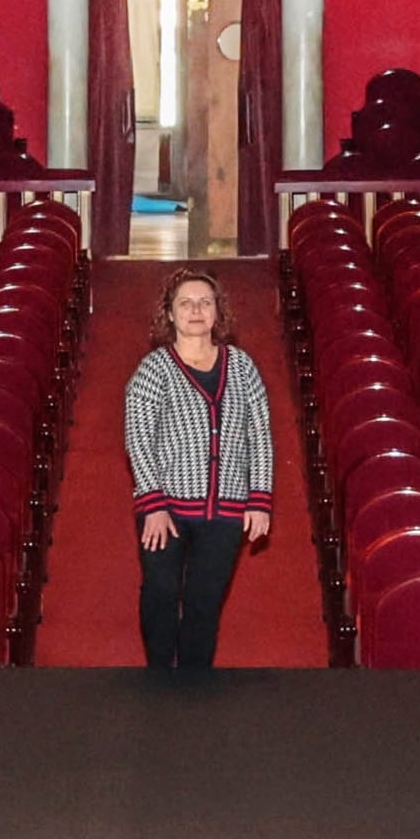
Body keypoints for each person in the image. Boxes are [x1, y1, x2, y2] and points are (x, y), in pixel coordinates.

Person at [121, 269, 273, 671]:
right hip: (165, 511)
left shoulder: (242, 367)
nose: (196, 310)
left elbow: (259, 436)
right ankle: (159, 675)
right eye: (185, 303)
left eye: (205, 302)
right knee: (162, 593)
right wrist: (153, 503)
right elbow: (139, 439)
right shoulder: (153, 370)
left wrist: (259, 500)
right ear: (169, 313)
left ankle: (193, 683)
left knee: (205, 602)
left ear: (217, 311)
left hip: (226, 510)